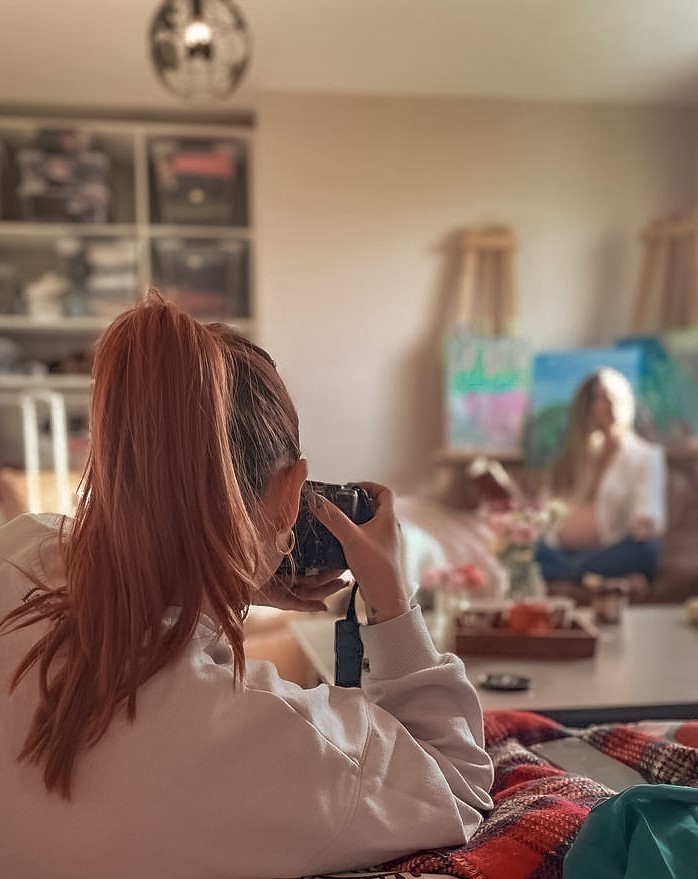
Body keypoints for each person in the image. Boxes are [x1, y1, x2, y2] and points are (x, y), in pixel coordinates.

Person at [0, 292, 494, 879]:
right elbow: (457, 783)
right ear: (294, 490)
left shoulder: (19, 550)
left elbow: (109, 560)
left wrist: (224, 577)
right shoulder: (272, 740)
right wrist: (390, 601)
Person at [535, 368, 666, 584]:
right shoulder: (574, 455)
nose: (610, 406)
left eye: (616, 398)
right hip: (561, 551)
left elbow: (649, 511)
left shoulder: (646, 456)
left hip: (609, 551)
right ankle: (585, 575)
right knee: (525, 547)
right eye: (602, 399)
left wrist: (646, 521)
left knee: (648, 549)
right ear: (587, 408)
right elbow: (547, 509)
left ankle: (572, 573)